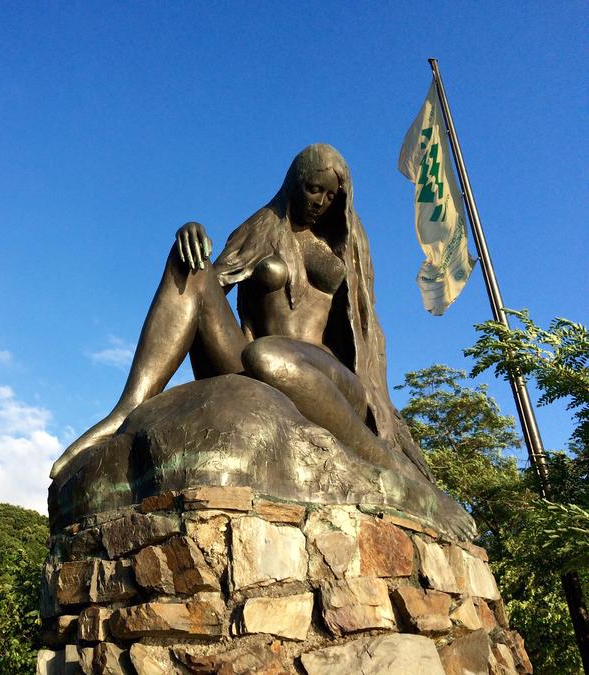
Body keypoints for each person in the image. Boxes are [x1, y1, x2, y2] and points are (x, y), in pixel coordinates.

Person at [50, 144, 433, 486]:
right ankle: (126, 407)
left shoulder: (346, 240)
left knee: (267, 355)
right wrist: (190, 233)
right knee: (192, 268)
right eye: (314, 189)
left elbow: (363, 327)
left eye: (331, 195)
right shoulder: (261, 227)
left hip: (326, 374)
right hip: (254, 362)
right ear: (294, 183)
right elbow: (207, 289)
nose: (320, 202)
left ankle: (381, 460)